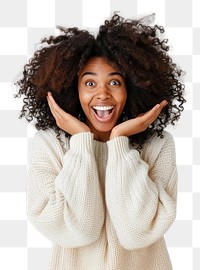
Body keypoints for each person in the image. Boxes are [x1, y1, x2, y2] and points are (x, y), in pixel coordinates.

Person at [15, 13, 186, 270]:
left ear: (132, 88)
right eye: (90, 82)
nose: (102, 93)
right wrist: (82, 142)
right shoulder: (51, 144)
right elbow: (79, 230)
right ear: (73, 89)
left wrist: (119, 143)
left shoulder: (158, 145)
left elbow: (136, 232)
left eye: (115, 82)